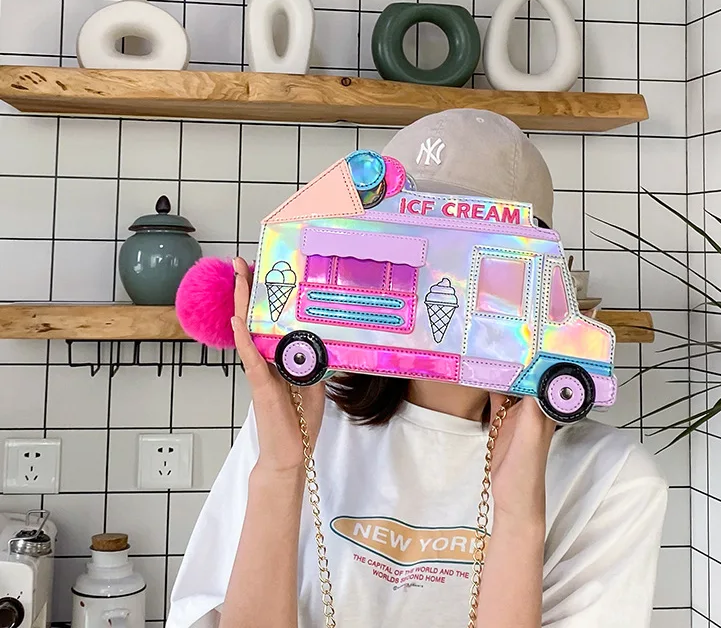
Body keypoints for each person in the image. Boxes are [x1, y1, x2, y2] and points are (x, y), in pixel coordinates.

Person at [166, 109, 668, 628]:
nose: (428, 275)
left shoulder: (613, 483)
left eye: (451, 251)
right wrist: (281, 471)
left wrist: (518, 518)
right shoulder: (292, 426)